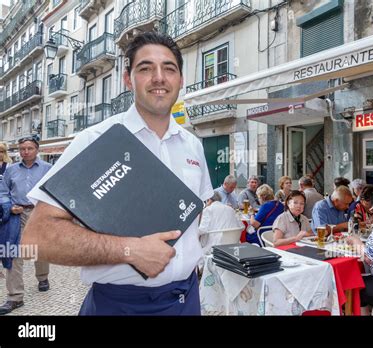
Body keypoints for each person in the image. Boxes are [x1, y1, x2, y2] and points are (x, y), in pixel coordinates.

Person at [22, 33, 214, 315]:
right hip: (120, 306)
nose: (159, 77)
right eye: (146, 68)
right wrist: (129, 250)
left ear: (180, 80)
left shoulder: (193, 145)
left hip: (187, 300)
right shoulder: (95, 140)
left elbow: (195, 216)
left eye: (169, 68)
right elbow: (37, 238)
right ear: (128, 79)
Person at [0, 137, 52, 315]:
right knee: (12, 251)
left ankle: (43, 278)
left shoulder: (48, 169)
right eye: (22, 149)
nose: (26, 152)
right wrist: (9, 206)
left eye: (29, 148)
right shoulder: (11, 170)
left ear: (37, 150)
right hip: (17, 215)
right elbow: (3, 192)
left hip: (40, 214)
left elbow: (54, 191)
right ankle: (15, 297)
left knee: (40, 249)